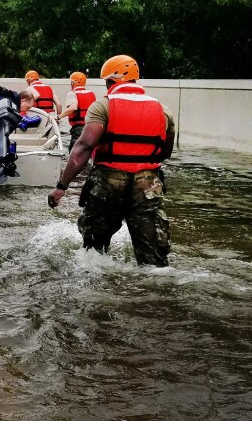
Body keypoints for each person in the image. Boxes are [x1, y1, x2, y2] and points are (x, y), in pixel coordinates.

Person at [48, 55, 176, 267]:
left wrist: (62, 186)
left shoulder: (103, 106)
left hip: (109, 181)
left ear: (110, 81)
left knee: (94, 252)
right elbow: (164, 152)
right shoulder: (163, 110)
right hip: (148, 184)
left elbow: (84, 147)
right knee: (153, 259)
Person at [57, 71, 97, 152]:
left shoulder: (72, 94)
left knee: (74, 152)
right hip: (91, 127)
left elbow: (73, 107)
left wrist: (59, 116)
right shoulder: (91, 94)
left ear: (73, 83)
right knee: (88, 151)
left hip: (79, 128)